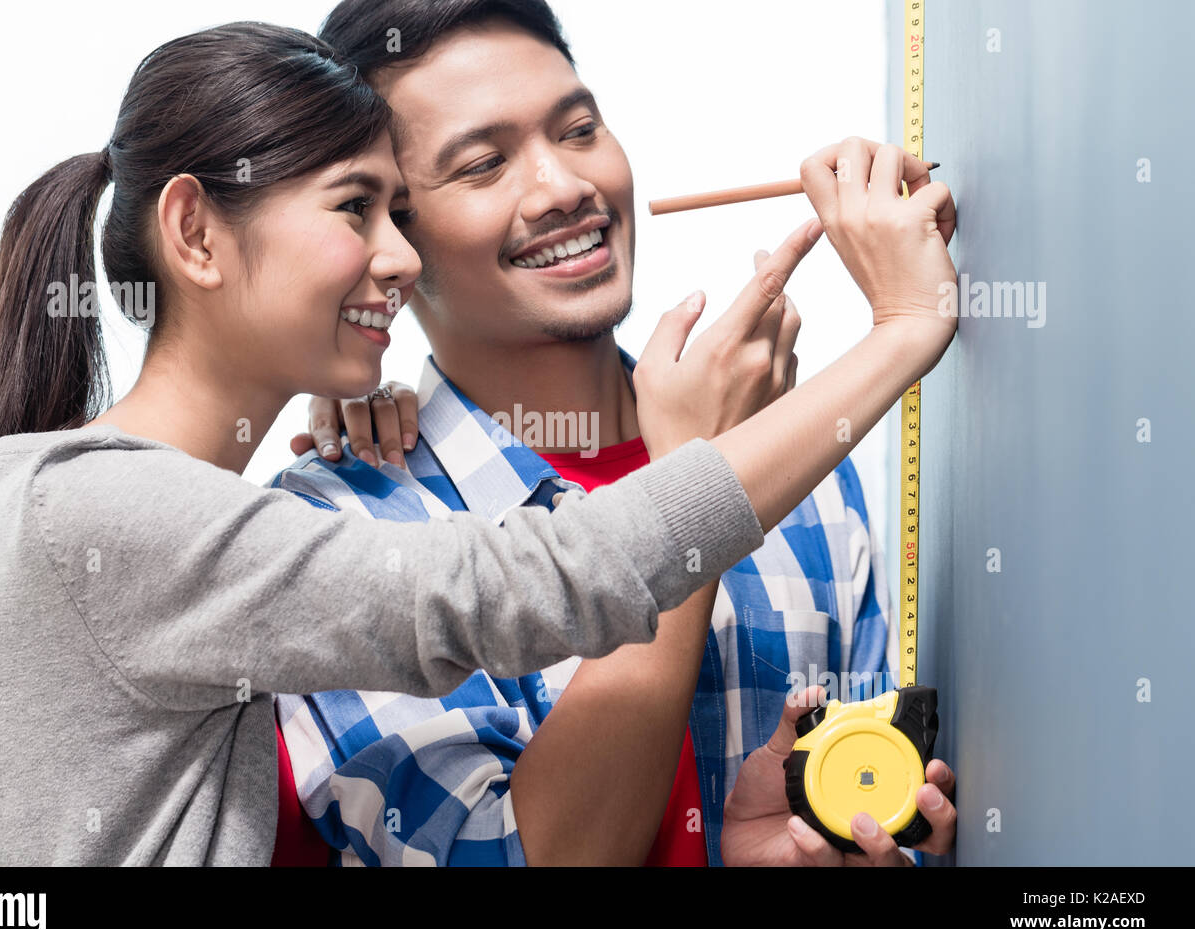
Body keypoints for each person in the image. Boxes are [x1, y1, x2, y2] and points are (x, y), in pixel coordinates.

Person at [0, 9, 956, 864]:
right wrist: (899, 332)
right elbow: (526, 585)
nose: (396, 256)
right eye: (363, 208)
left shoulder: (183, 526)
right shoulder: (140, 513)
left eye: (579, 127)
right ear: (195, 233)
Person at [273, 0, 957, 866]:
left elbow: (875, 818)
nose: (562, 187)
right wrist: (692, 489)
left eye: (580, 128)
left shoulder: (812, 477)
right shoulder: (335, 535)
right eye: (485, 164)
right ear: (389, 237)